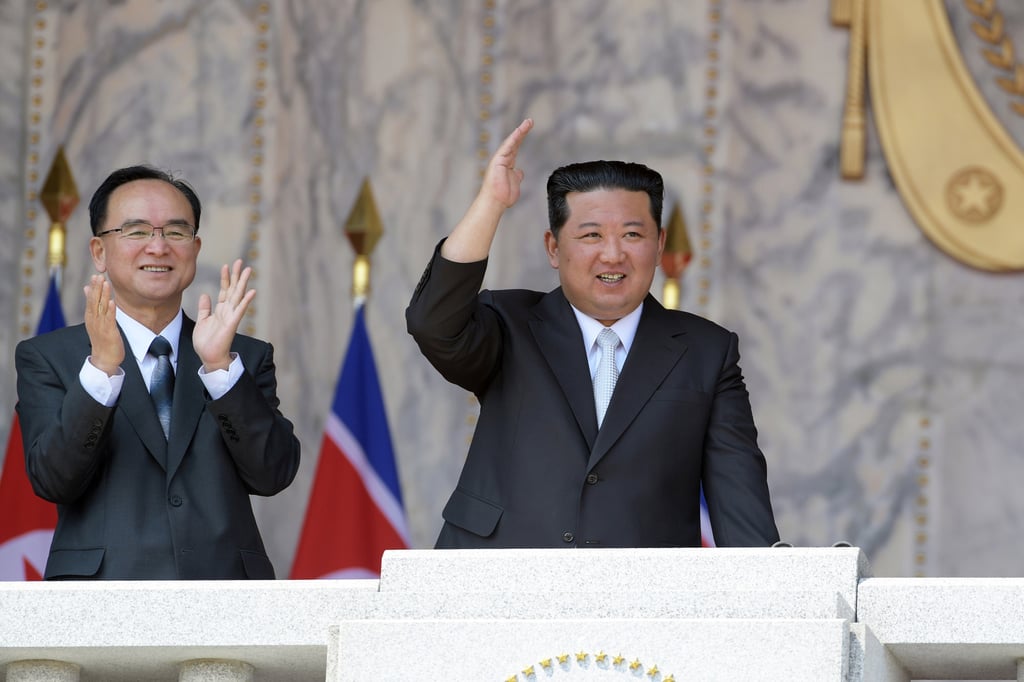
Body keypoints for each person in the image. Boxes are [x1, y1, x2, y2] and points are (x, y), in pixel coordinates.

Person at [406, 119, 779, 548]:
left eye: (632, 234)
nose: (613, 253)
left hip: (643, 597)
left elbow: (740, 500)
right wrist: (491, 203)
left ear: (658, 246)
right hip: (499, 579)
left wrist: (771, 596)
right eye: (591, 235)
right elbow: (432, 323)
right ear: (553, 247)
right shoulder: (508, 324)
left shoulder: (707, 352)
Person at [15, 166, 301, 579]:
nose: (158, 247)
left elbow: (273, 473)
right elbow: (53, 480)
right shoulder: (50, 356)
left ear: (195, 247)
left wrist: (219, 369)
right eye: (135, 232)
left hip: (226, 601)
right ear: (99, 251)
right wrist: (102, 371)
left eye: (176, 232)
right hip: (100, 600)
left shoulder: (243, 357)